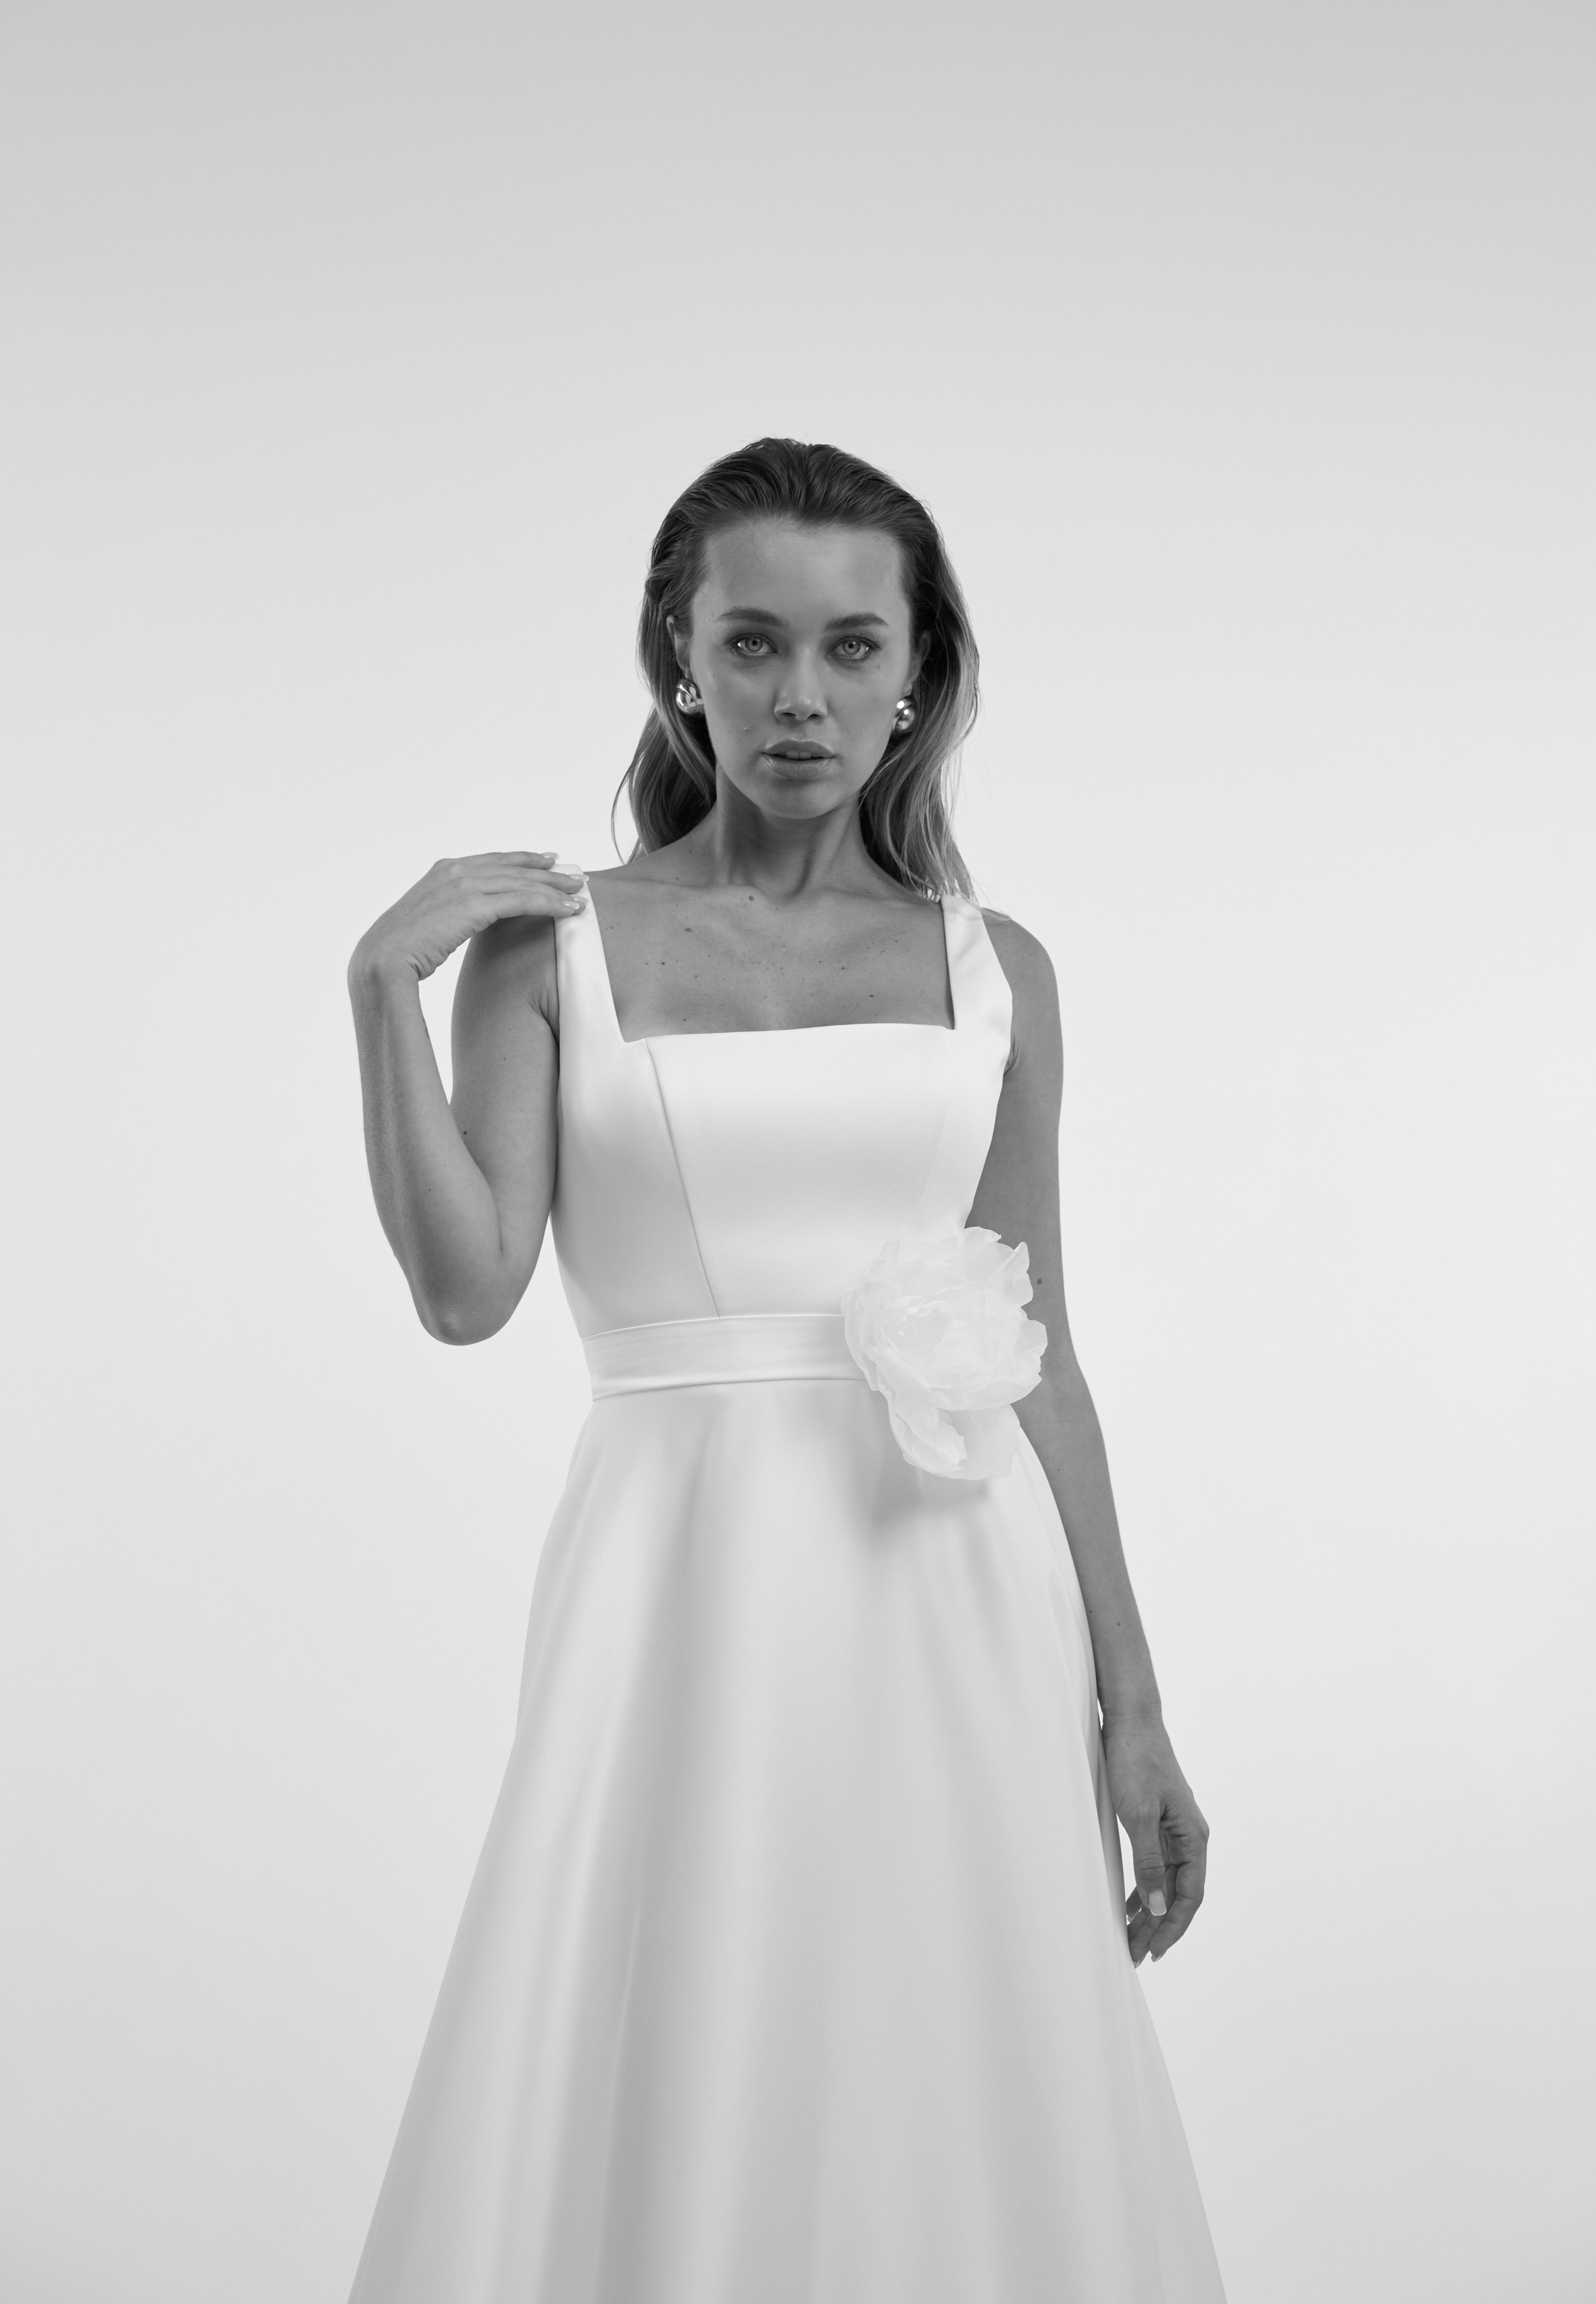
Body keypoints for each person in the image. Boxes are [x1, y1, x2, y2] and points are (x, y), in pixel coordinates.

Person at [344, 436, 1225, 2302]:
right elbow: (463, 1292)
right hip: (675, 1572)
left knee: (944, 2023)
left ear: (917, 673)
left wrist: (1134, 1708)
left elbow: (1045, 1355)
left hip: (954, 1579)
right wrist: (376, 1000)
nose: (800, 696)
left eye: (849, 646)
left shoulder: (995, 967)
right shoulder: (551, 949)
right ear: (679, 661)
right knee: (679, 1995)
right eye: (751, 644)